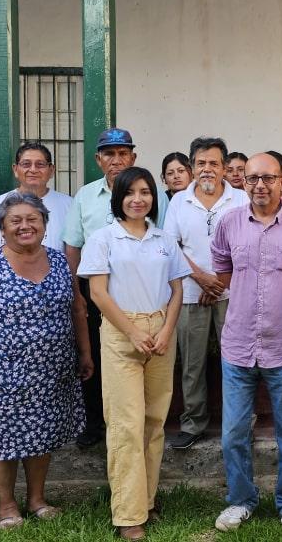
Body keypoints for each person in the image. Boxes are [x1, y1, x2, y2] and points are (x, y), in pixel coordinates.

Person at [0, 193, 92, 530]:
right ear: (2, 228)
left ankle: (37, 499)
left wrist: (85, 352)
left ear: (45, 224)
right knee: (3, 438)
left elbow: (77, 308)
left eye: (33, 218)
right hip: (2, 372)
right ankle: (6, 506)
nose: (25, 226)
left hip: (53, 369)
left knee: (42, 433)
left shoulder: (60, 262)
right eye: (15, 220)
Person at [210, 153, 282, 537]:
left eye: (269, 178)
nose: (260, 185)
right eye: (252, 178)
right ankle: (241, 499)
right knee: (233, 434)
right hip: (238, 345)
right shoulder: (229, 223)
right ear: (244, 181)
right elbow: (223, 271)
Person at [78, 166, 188, 541]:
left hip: (161, 332)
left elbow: (177, 291)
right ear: (118, 198)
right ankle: (128, 515)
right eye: (130, 193)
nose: (138, 199)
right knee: (125, 424)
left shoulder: (163, 239)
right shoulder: (104, 238)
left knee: (154, 420)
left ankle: (147, 499)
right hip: (122, 334)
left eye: (145, 192)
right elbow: (98, 294)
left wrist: (166, 330)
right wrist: (134, 331)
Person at [163, 137, 250, 451]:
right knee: (192, 362)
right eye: (201, 163)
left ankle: (239, 424)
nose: (208, 169)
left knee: (237, 360)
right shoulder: (178, 202)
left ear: (225, 167)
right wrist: (201, 278)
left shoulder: (241, 199)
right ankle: (193, 423)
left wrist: (219, 284)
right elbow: (170, 247)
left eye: (214, 163)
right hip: (189, 293)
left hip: (233, 294)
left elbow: (248, 245)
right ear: (192, 166)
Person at [63, 129, 141, 449]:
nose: (116, 160)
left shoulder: (146, 193)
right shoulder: (84, 196)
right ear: (98, 160)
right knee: (93, 353)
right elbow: (72, 246)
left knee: (133, 355)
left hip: (137, 290)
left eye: (123, 153)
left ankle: (131, 423)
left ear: (133, 158)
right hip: (95, 290)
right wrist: (75, 293)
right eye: (109, 154)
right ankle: (95, 423)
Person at [0, 142, 74, 252]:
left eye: (40, 164)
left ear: (51, 170)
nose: (33, 170)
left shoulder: (70, 204)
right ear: (15, 169)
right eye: (26, 164)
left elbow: (73, 250)